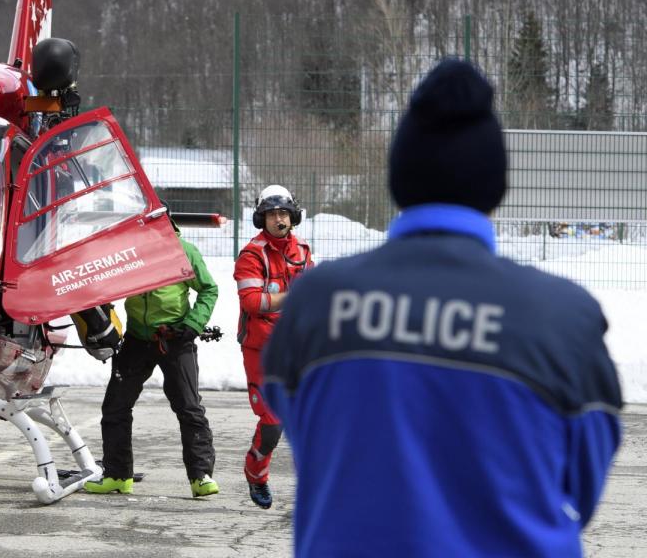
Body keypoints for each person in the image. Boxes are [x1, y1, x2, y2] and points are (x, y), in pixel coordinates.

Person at [263, 59, 623, 557]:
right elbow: (581, 489)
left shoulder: (316, 304)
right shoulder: (563, 317)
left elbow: (304, 432)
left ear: (400, 176)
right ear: (495, 184)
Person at [85, 212, 220, 498]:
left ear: (167, 224)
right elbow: (106, 282)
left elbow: (209, 289)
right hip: (136, 338)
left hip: (175, 339)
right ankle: (118, 475)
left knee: (188, 407)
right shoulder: (130, 252)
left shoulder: (184, 251)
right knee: (115, 407)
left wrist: (193, 325)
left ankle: (201, 476)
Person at [234, 184, 313, 509]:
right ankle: (256, 473)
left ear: (293, 216)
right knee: (272, 423)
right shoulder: (252, 255)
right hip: (260, 350)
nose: (278, 219)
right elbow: (252, 302)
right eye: (271, 214)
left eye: (283, 213)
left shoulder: (302, 250)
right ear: (261, 219)